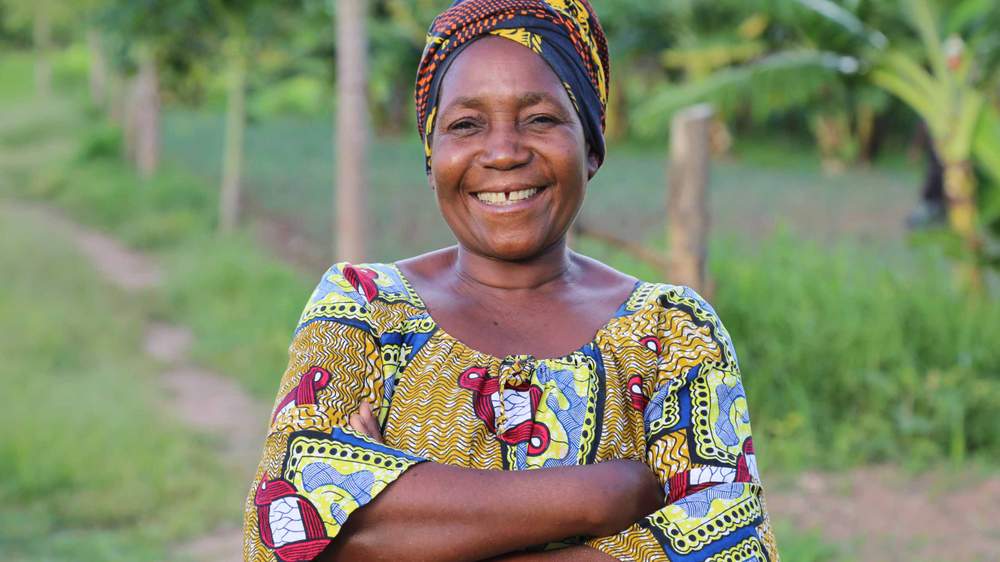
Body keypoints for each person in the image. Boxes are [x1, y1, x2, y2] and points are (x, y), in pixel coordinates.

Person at [243, 1, 778, 560]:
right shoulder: (366, 309)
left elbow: (732, 547)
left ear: (591, 147)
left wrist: (392, 530)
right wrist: (606, 496)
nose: (503, 152)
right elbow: (279, 529)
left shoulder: (672, 332)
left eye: (541, 119)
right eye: (466, 125)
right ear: (432, 157)